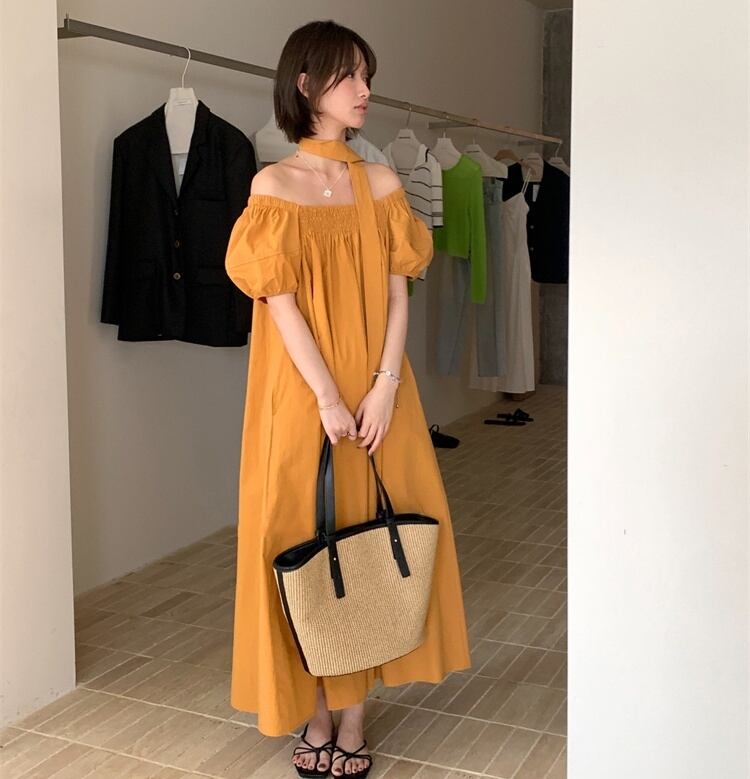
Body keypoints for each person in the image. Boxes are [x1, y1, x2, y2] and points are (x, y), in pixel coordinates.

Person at [225, 19, 472, 778]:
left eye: (368, 75)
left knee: (370, 535)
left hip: (379, 391)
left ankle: (354, 714)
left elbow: (399, 298)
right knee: (300, 539)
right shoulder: (273, 187)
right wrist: (328, 398)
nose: (366, 91)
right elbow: (280, 303)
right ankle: (316, 710)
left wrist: (385, 387)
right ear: (306, 85)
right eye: (350, 76)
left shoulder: (383, 184)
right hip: (300, 394)